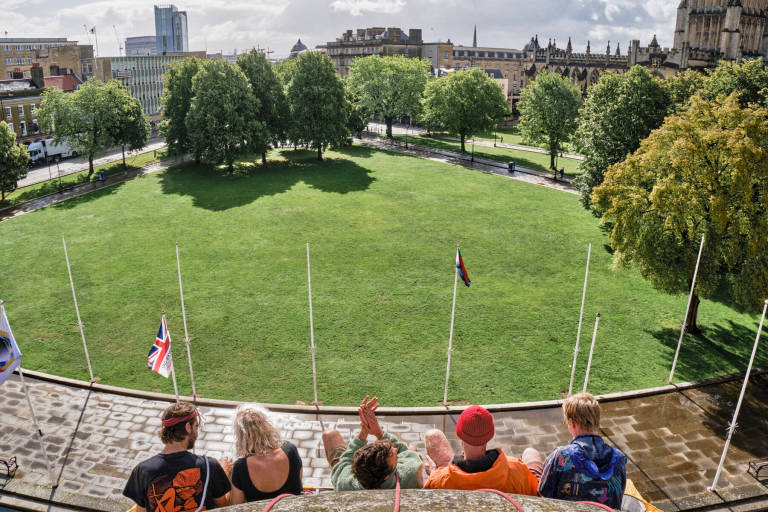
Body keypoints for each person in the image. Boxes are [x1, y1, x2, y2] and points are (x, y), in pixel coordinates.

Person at [123, 401, 232, 512]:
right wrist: (225, 474)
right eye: (196, 426)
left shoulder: (142, 470)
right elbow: (224, 506)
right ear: (188, 427)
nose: (197, 432)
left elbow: (141, 511)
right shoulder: (210, 466)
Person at [423, 405, 540, 495]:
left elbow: (428, 494)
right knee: (530, 452)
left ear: (460, 435)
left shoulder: (439, 480)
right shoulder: (517, 469)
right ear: (490, 435)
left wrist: (433, 474)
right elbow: (535, 492)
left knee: (434, 436)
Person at [539, 392, 627, 508]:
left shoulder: (561, 456)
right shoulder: (619, 459)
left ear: (573, 424)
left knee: (531, 455)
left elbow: (542, 496)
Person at [322, 396, 423, 490]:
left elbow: (343, 462)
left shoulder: (344, 483)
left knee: (330, 435)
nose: (396, 449)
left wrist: (363, 432)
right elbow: (405, 451)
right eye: (393, 454)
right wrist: (378, 432)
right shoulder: (410, 473)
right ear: (387, 475)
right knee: (412, 449)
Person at [229, 404, 303, 504]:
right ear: (268, 425)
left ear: (241, 436)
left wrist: (229, 477)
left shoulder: (240, 467)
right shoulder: (290, 450)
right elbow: (298, 483)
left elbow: (235, 506)